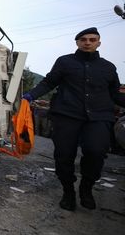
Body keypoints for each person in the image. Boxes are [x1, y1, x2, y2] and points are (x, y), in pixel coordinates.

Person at [22, 27, 125, 212]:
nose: (87, 42)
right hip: (67, 115)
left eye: (92, 39)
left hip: (99, 117)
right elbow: (49, 82)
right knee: (64, 155)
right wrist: (30, 95)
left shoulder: (108, 68)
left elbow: (115, 94)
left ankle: (86, 187)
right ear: (77, 42)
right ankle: (68, 191)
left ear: (98, 43)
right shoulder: (65, 62)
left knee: (96, 151)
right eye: (83, 39)